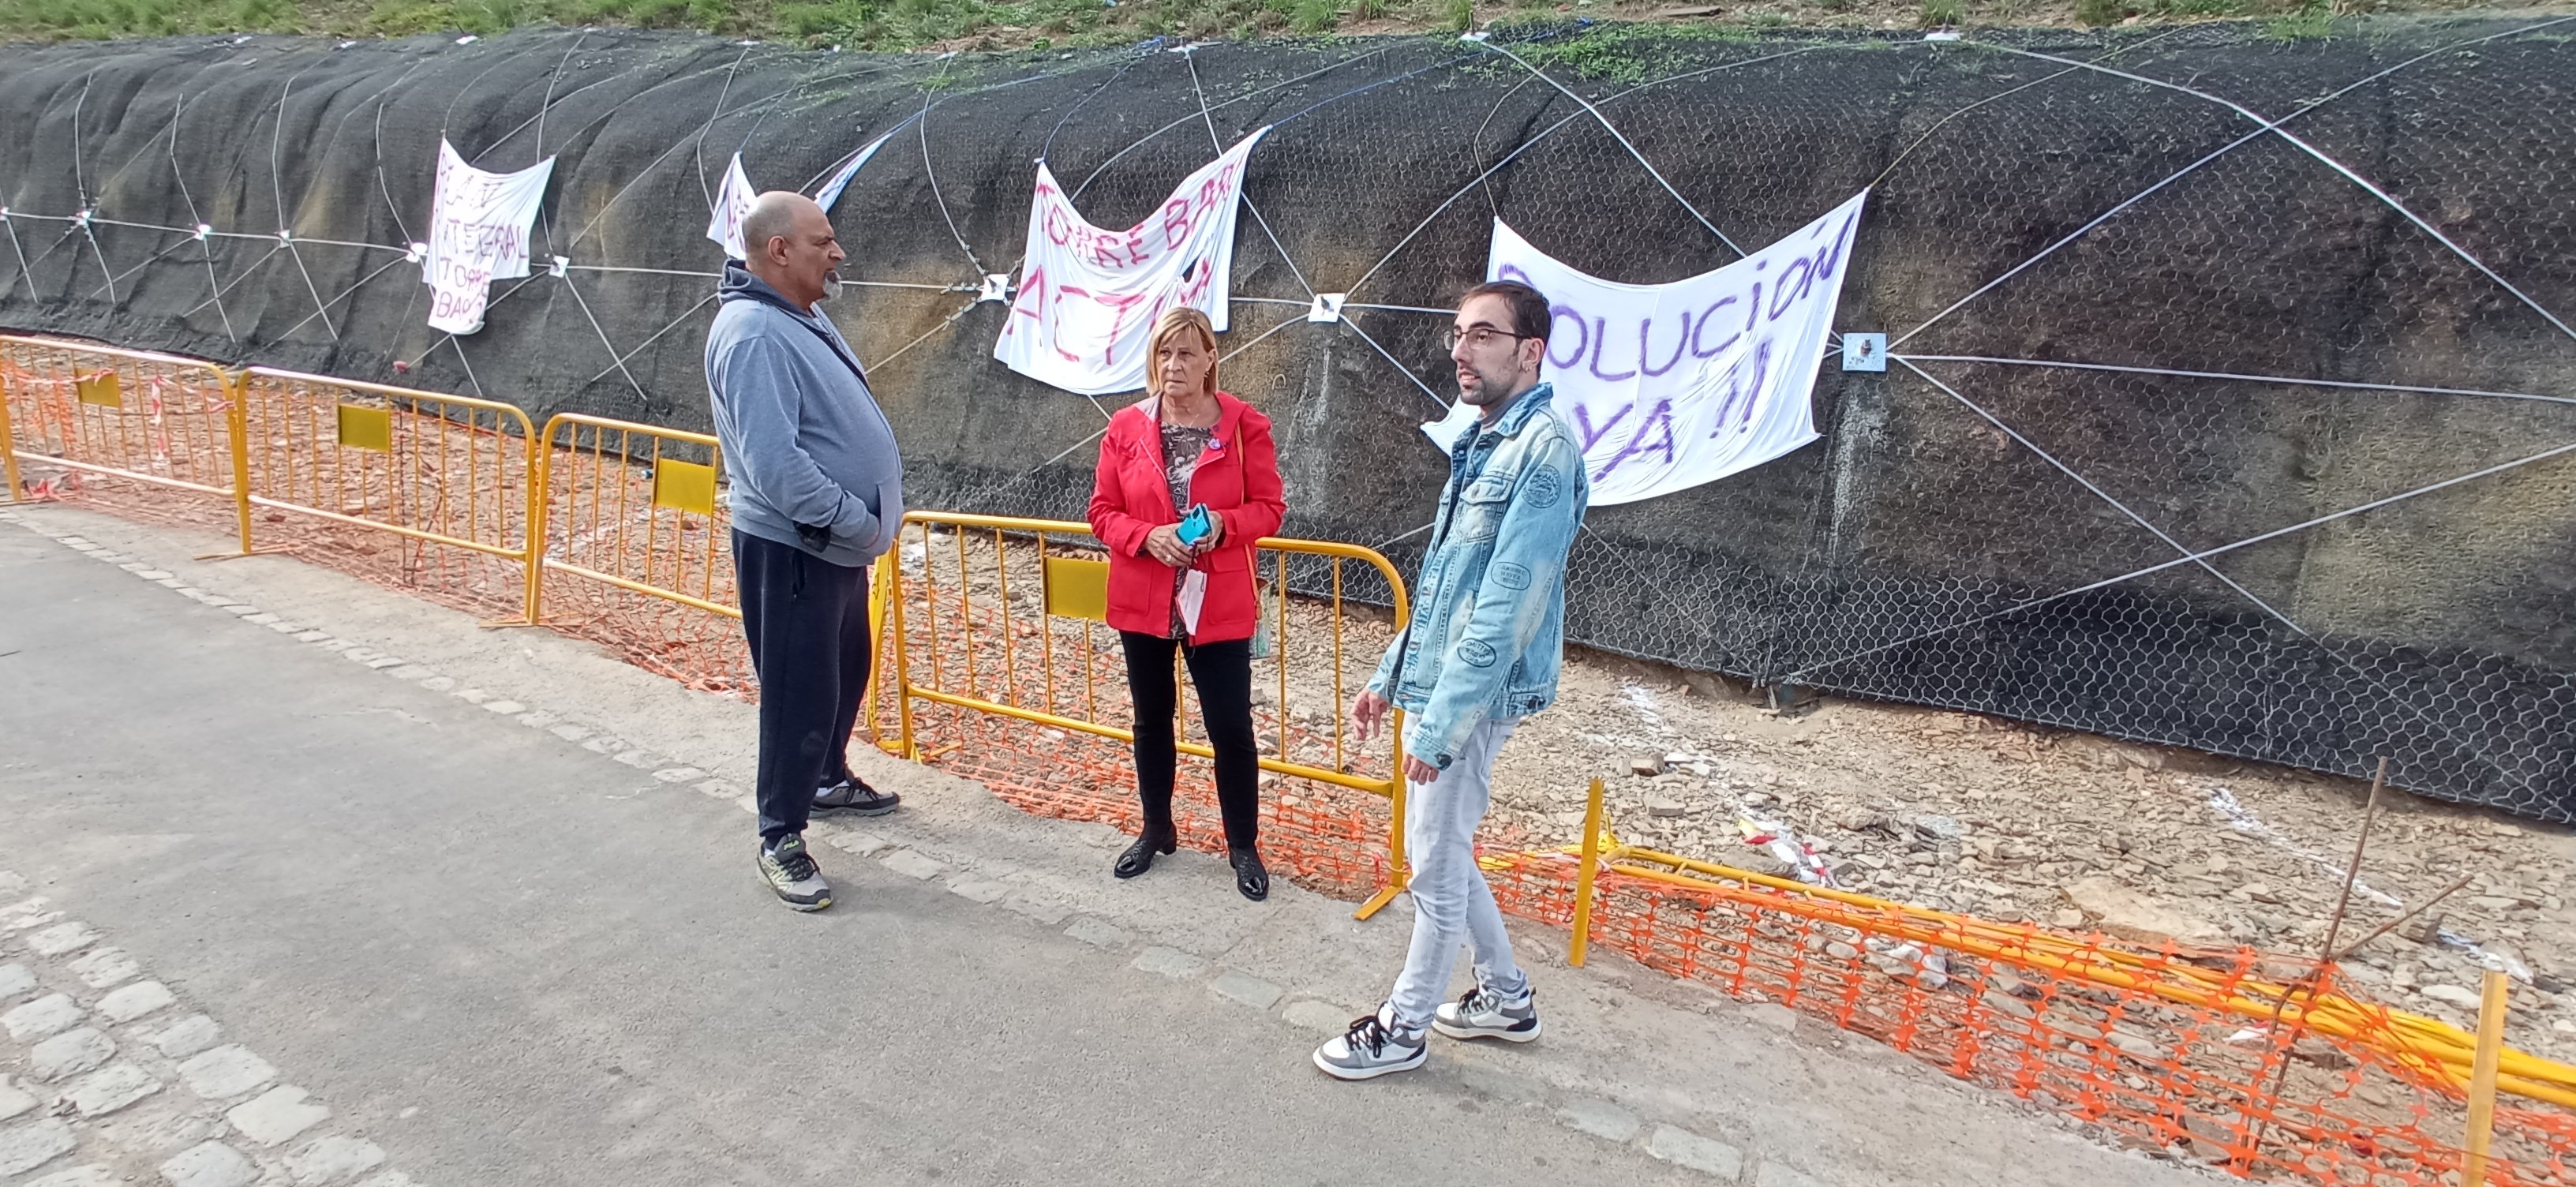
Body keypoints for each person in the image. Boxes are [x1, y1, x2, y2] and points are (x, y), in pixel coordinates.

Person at [1312, 280, 1589, 1080]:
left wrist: (1441, 725)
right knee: (1446, 850)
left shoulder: (1542, 455)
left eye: (1483, 335)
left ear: (1530, 350)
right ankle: (1506, 995)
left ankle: (1403, 1028)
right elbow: (1445, 586)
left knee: (1430, 862)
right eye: (1458, 334)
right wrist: (1390, 675)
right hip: (1440, 687)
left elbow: (1505, 608)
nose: (1461, 350)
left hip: (1469, 701)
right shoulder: (1486, 440)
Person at [705, 191, 906, 912]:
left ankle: (824, 777)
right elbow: (775, 467)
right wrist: (853, 521)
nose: (838, 252)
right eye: (823, 241)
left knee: (845, 667)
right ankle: (779, 836)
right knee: (798, 692)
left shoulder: (796, 316)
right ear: (778, 250)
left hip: (832, 548)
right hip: (799, 547)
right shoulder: (755, 333)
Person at [1087, 306, 1287, 902]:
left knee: (1231, 727)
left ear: (1209, 360)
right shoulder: (1125, 425)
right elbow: (1101, 511)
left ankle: (1243, 845)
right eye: (1164, 353)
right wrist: (1146, 536)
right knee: (1151, 721)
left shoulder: (1245, 425)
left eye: (1186, 353)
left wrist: (1223, 525)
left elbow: (1271, 508)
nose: (1173, 365)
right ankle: (1156, 829)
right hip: (1144, 595)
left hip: (1217, 598)